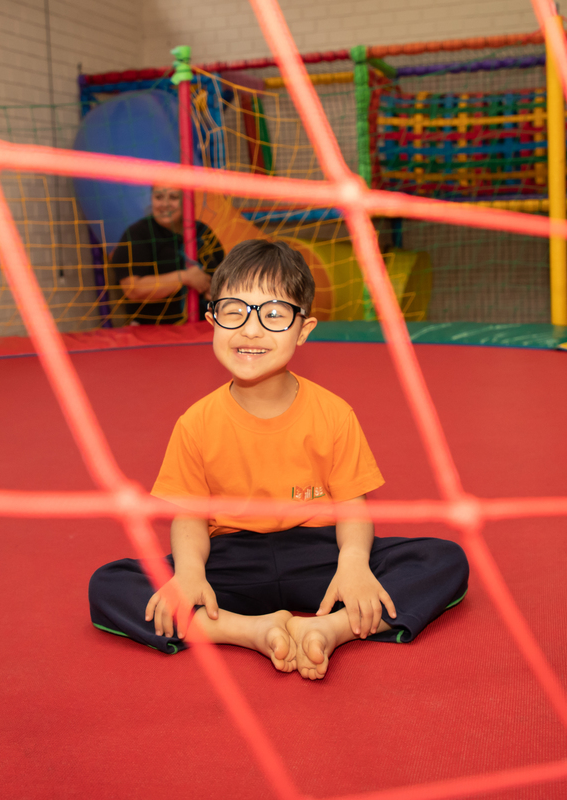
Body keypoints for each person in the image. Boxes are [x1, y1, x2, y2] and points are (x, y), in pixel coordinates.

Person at [88, 239, 469, 681]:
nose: (251, 330)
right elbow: (190, 516)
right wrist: (189, 573)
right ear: (212, 320)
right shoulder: (196, 422)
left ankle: (330, 629)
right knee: (111, 583)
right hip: (232, 560)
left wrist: (353, 565)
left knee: (443, 559)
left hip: (319, 554)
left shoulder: (333, 413)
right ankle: (247, 630)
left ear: (303, 330)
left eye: (273, 315)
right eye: (234, 311)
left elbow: (352, 506)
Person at [108, 185, 224, 324]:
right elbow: (132, 289)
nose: (165, 204)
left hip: (203, 325)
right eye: (159, 197)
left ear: (187, 201)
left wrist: (215, 290)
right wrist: (184, 277)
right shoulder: (138, 234)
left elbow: (224, 273)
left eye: (173, 197)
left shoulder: (202, 231)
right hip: (152, 328)